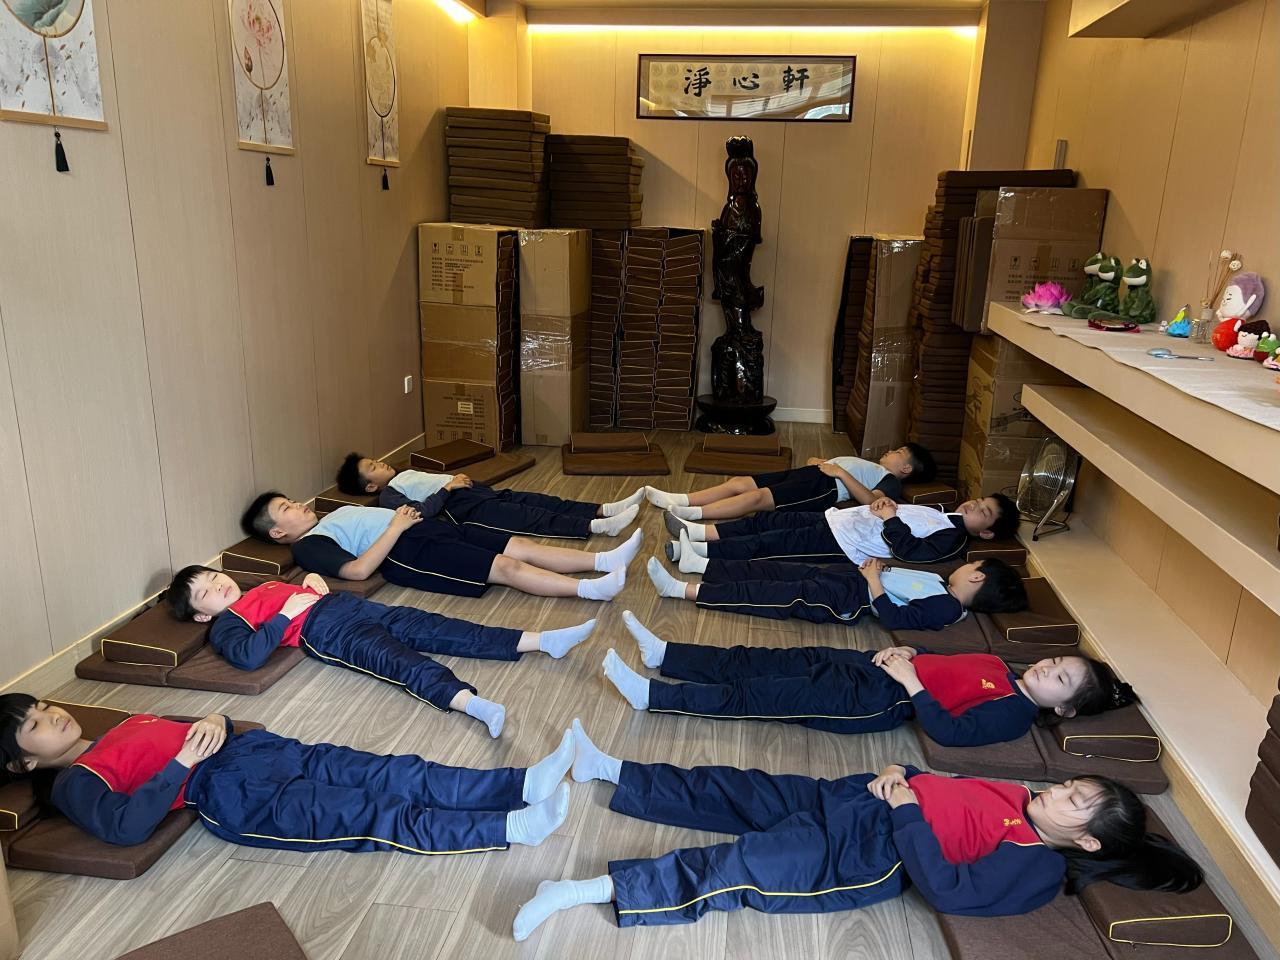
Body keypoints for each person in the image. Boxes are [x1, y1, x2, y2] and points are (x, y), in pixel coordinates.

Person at [511, 721, 1202, 939]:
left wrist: (904, 809)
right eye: (1071, 784)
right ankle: (610, 769)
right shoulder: (1020, 796)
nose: (1058, 791)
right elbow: (945, 787)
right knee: (733, 787)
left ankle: (579, 891)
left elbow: (949, 890)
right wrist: (900, 772)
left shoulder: (1039, 866)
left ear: (1087, 842)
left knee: (736, 866)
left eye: (1074, 801)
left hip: (865, 854)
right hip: (854, 800)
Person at [0, 695, 576, 857]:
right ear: (23, 763)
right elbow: (126, 828)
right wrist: (182, 764)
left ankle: (520, 785)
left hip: (260, 750)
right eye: (35, 726)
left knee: (397, 772)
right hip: (231, 794)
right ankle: (510, 828)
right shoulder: (76, 781)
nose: (53, 716)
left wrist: (217, 719)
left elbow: (198, 725)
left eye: (44, 707)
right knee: (373, 813)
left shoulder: (125, 723)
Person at [167, 566, 599, 737]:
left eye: (213, 576)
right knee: (398, 661)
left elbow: (297, 593)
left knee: (438, 627)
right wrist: (286, 614)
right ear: (202, 615)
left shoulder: (261, 584)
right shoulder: (226, 624)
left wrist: (312, 583)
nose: (218, 585)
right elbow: (247, 656)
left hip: (346, 605)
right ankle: (473, 704)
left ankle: (541, 641)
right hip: (325, 631)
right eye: (206, 592)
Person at [601, 611, 1136, 744]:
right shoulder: (1000, 666)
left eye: (1059, 680)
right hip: (873, 663)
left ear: (1062, 708)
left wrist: (911, 682)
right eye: (1056, 662)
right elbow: (939, 658)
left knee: (760, 694)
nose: (1047, 668)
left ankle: (654, 696)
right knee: (761, 659)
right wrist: (910, 650)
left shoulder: (1015, 715)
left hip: (872, 699)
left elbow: (950, 732)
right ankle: (668, 653)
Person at [240, 493, 642, 602]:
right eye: (286, 509)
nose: (297, 505)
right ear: (277, 533)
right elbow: (358, 570)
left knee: (518, 545)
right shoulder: (308, 546)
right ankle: (589, 589)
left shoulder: (331, 515)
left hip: (423, 530)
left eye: (290, 500)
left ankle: (604, 558)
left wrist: (403, 518)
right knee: (505, 567)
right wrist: (396, 526)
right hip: (408, 552)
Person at [646, 552, 1027, 631]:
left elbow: (895, 618)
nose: (965, 566)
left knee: (767, 592)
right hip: (849, 580)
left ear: (976, 578)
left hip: (845, 601)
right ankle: (703, 564)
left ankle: (681, 590)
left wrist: (873, 579)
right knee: (776, 569)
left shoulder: (947, 608)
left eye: (973, 566)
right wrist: (880, 568)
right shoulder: (941, 584)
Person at [338, 453, 645, 540]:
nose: (381, 463)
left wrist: (466, 483)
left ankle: (603, 509)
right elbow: (420, 512)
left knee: (539, 500)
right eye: (373, 467)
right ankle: (597, 527)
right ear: (370, 487)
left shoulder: (405, 472)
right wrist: (448, 488)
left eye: (376, 460)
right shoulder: (390, 495)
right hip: (464, 510)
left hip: (477, 493)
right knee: (531, 518)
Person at [663, 494, 1020, 567]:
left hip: (844, 543)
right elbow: (895, 513)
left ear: (987, 533)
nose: (974, 506)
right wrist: (885, 505)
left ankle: (696, 552)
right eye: (978, 500)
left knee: (768, 543)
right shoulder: (941, 512)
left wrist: (890, 518)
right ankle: (697, 532)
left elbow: (911, 552)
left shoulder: (953, 538)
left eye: (984, 512)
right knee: (766, 521)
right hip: (839, 519)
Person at [644, 444, 935, 521]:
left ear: (906, 468)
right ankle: (679, 498)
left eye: (898, 452)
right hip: (814, 474)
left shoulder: (890, 481)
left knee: (758, 499)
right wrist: (824, 462)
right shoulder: (872, 466)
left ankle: (692, 514)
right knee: (741, 482)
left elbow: (873, 502)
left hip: (825, 488)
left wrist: (839, 472)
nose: (890, 451)